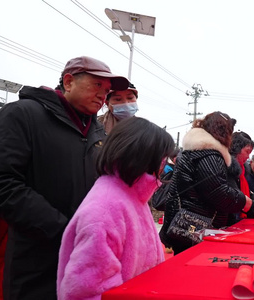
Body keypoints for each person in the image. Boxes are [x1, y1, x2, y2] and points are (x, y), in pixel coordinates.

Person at [0, 56, 129, 300]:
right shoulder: (23, 115)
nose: (102, 95)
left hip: (84, 259)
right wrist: (62, 230)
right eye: (97, 85)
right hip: (34, 260)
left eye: (106, 91)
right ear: (68, 82)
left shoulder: (98, 132)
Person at [57, 117, 175, 300]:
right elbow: (86, 291)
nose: (163, 165)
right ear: (142, 156)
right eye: (161, 158)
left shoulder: (133, 194)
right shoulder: (104, 210)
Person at [159, 111, 254, 255]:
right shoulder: (209, 154)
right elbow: (218, 192)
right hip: (196, 228)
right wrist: (246, 202)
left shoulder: (191, 150)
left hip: (183, 224)